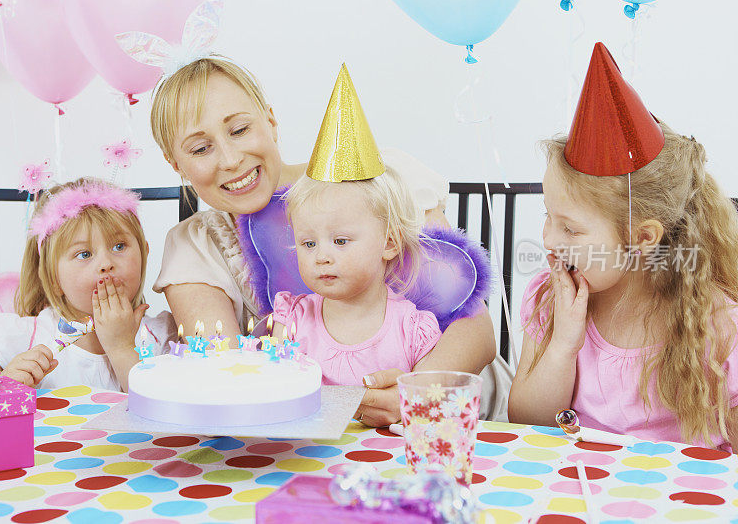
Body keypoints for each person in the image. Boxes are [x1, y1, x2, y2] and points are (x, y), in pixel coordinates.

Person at [148, 56, 496, 426]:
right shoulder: (193, 248)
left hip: (448, 416)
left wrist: (417, 394)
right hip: (322, 437)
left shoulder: (375, 181)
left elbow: (476, 329)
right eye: (201, 149)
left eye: (239, 130)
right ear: (175, 164)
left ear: (271, 121)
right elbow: (232, 383)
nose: (231, 159)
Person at [508, 43, 738, 451]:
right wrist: (564, 342)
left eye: (571, 230)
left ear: (642, 238)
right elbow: (525, 422)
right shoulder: (549, 300)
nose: (548, 240)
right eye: (548, 216)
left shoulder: (715, 322)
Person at [271, 66, 443, 385]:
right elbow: (274, 392)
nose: (321, 256)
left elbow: (429, 404)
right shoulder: (293, 321)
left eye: (340, 241)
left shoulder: (412, 328)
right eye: (309, 244)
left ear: (389, 243)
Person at [0, 178, 175, 391]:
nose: (106, 263)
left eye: (119, 246)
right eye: (84, 254)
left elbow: (171, 413)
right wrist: (1, 382)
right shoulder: (26, 336)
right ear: (53, 277)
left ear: (144, 253)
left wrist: (122, 348)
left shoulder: (163, 337)